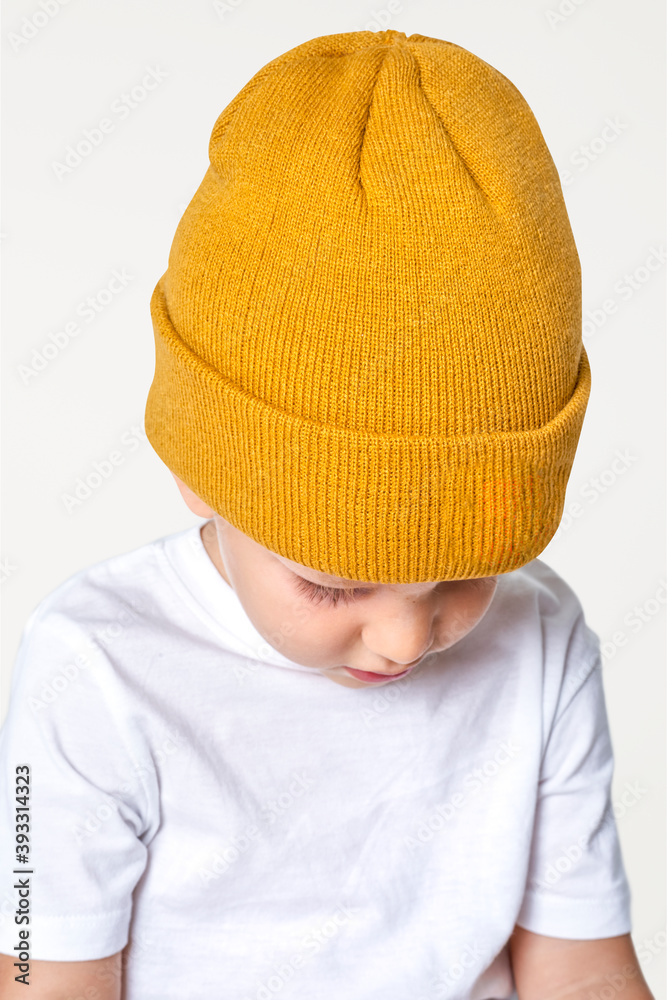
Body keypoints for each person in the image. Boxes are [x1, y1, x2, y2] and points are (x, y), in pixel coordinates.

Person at [0, 28, 654, 1000]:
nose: (401, 638)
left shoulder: (541, 638)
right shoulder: (92, 670)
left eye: (465, 574)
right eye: (336, 580)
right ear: (199, 474)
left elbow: (583, 973)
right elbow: (40, 977)